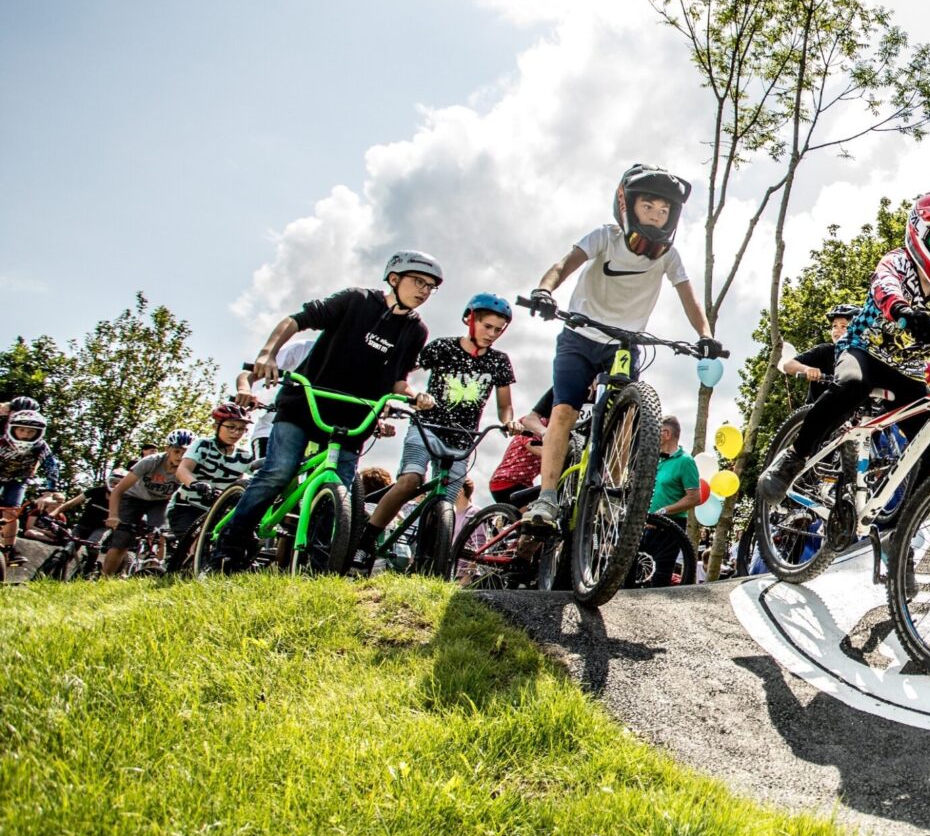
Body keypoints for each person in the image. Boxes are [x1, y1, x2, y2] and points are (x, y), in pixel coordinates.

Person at [758, 190, 930, 503]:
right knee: (851, 385)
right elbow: (885, 287)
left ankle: (903, 531)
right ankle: (794, 457)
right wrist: (905, 312)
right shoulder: (898, 262)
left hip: (909, 373)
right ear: (919, 234)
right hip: (865, 353)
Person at [522, 165, 725, 533]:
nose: (657, 216)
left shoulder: (668, 255)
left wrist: (705, 335)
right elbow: (562, 266)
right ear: (628, 206)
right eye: (649, 207)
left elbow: (689, 296)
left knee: (627, 423)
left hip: (624, 344)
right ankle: (547, 498)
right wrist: (544, 291)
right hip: (580, 336)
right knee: (564, 410)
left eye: (664, 211)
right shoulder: (606, 237)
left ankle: (609, 498)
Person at [212, 251, 440, 566]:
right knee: (278, 471)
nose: (424, 291)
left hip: (352, 417)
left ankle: (318, 564)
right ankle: (229, 546)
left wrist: (415, 395)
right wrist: (267, 353)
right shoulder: (356, 300)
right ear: (393, 278)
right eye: (418, 282)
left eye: (431, 287)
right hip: (304, 404)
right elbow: (296, 320)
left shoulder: (416, 331)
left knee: (341, 493)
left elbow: (397, 380)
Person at [358, 292, 516, 554]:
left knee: (447, 502)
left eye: (499, 330)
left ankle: (428, 558)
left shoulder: (500, 362)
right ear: (471, 320)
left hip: (463, 439)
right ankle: (366, 539)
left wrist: (509, 423)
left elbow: (505, 406)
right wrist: (414, 395)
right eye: (487, 326)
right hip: (427, 428)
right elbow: (400, 378)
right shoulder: (442, 347)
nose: (492, 334)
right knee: (411, 481)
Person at [164, 404, 255, 569]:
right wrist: (196, 483)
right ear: (216, 426)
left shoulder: (245, 456)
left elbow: (253, 479)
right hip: (186, 506)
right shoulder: (202, 445)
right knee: (199, 545)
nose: (236, 433)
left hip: (216, 510)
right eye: (231, 427)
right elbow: (183, 470)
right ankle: (193, 571)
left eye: (242, 429)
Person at [101, 433, 192, 575]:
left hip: (160, 502)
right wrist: (113, 516)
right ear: (167, 449)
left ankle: (153, 569)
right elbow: (118, 490)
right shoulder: (150, 461)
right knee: (122, 539)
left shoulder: (188, 468)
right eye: (176, 451)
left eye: (185, 453)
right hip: (133, 498)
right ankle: (104, 577)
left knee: (160, 534)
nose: (180, 456)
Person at [639, 414, 700, 587]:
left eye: (656, 432)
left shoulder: (685, 461)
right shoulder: (655, 459)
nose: (652, 436)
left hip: (670, 527)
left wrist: (665, 511)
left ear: (666, 433)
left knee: (659, 577)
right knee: (635, 573)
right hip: (645, 526)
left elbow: (695, 497)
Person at [0, 398, 60, 571]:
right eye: (21, 429)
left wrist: (49, 492)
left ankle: (10, 549)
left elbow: (52, 466)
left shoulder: (40, 445)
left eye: (30, 431)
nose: (26, 434)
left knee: (11, 510)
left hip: (18, 479)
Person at [779, 305, 859, 401]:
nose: (837, 330)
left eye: (843, 326)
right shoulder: (824, 350)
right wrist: (807, 369)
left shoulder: (863, 356)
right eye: (834, 326)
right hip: (819, 411)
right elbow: (788, 365)